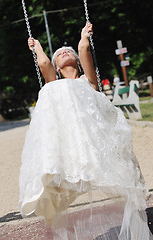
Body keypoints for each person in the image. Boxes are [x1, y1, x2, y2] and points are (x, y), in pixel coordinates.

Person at [19, 23, 153, 239]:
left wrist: (83, 36)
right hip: (70, 146)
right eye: (59, 54)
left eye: (67, 51)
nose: (64, 51)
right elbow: (43, 62)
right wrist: (37, 48)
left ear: (78, 64)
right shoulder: (53, 84)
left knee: (117, 173)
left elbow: (84, 50)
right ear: (56, 67)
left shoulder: (88, 82)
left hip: (94, 142)